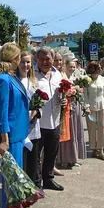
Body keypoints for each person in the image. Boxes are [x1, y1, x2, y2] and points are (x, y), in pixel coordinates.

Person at [0, 42, 29, 208]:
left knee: (14, 177)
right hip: (11, 136)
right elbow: (2, 112)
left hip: (18, 134)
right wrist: (4, 139)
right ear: (14, 58)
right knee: (10, 179)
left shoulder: (10, 77)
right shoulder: (2, 80)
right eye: (19, 57)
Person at [35, 47, 67, 191]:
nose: (44, 62)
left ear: (53, 60)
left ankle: (48, 179)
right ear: (37, 59)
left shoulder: (57, 74)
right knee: (36, 154)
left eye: (48, 59)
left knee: (51, 152)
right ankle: (36, 182)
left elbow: (61, 93)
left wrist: (65, 100)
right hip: (38, 122)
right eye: (41, 59)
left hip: (55, 120)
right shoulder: (32, 75)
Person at [16, 51, 41, 184]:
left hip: (33, 126)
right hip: (19, 126)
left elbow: (40, 100)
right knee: (21, 160)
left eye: (28, 62)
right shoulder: (14, 81)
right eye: (22, 62)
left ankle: (32, 188)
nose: (25, 65)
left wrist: (36, 111)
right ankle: (21, 189)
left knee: (33, 159)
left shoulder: (34, 81)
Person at [83, 61, 104, 161]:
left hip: (102, 106)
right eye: (98, 68)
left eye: (100, 68)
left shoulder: (103, 79)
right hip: (90, 108)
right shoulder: (86, 79)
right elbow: (85, 95)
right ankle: (94, 149)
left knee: (101, 129)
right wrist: (86, 106)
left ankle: (101, 150)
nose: (100, 69)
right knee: (91, 129)